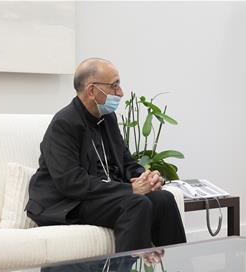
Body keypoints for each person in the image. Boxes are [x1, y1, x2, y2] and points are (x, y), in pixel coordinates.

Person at [26, 58, 186, 253]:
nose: (121, 92)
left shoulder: (107, 118)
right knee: (135, 203)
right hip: (72, 201)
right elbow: (70, 182)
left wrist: (146, 177)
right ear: (92, 90)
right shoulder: (64, 124)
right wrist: (129, 190)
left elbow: (126, 161)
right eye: (114, 85)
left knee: (164, 200)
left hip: (105, 195)